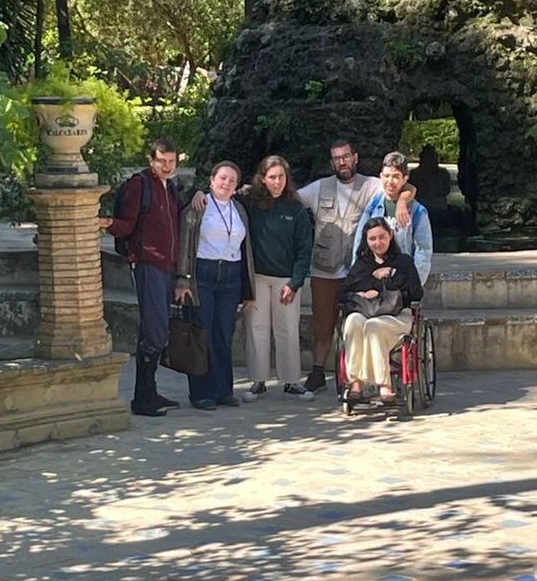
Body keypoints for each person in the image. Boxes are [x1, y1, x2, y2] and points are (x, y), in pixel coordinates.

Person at [297, 138, 414, 393]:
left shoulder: (371, 185)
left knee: (360, 320)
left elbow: (404, 186)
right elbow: (289, 198)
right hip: (324, 269)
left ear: (355, 157)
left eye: (346, 156)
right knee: (323, 324)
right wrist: (254, 189)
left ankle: (357, 378)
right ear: (332, 162)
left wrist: (403, 200)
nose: (342, 161)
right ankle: (318, 372)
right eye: (337, 158)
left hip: (361, 270)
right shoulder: (319, 188)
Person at [98, 138, 181, 418]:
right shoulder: (140, 185)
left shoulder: (170, 188)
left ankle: (148, 393)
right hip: (148, 265)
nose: (167, 167)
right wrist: (106, 223)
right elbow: (127, 225)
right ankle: (143, 399)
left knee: (155, 329)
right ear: (151, 160)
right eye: (162, 161)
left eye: (171, 162)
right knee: (155, 329)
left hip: (167, 266)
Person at [175, 161, 256, 410]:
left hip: (230, 276)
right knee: (202, 334)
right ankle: (201, 393)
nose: (226, 183)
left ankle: (223, 390)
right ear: (211, 180)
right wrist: (182, 278)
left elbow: (246, 250)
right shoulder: (199, 205)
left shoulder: (239, 209)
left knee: (224, 335)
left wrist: (247, 289)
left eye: (232, 180)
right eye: (222, 178)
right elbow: (185, 242)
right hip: (202, 274)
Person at [241, 155, 315, 402]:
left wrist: (295, 282)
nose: (277, 182)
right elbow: (223, 194)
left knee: (287, 331)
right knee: (256, 329)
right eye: (272, 177)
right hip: (258, 279)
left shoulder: (296, 207)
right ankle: (258, 381)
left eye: (281, 176)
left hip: (286, 280)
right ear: (263, 178)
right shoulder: (250, 202)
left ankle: (292, 381)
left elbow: (304, 249)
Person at [340, 217, 423, 403]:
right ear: (366, 240)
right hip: (367, 312)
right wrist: (367, 289)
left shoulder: (404, 262)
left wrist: (391, 274)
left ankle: (384, 385)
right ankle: (355, 383)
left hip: (397, 316)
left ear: (390, 236)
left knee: (373, 326)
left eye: (381, 237)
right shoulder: (361, 264)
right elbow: (344, 292)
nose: (377, 243)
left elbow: (416, 292)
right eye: (372, 239)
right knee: (353, 321)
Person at [352, 151, 434, 286]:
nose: (390, 182)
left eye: (396, 177)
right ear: (381, 177)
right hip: (374, 280)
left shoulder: (417, 211)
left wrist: (414, 284)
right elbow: (359, 244)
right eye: (387, 176)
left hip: (402, 280)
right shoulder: (372, 207)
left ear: (405, 179)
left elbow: (423, 251)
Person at [409, 144, 452, 219]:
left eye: (431, 157)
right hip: (420, 204)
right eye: (427, 157)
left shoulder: (443, 173)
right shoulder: (415, 173)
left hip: (438, 204)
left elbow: (446, 190)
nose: (429, 160)